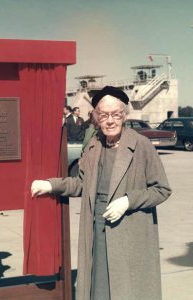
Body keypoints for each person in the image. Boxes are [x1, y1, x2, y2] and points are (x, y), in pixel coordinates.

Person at [31, 86, 172, 300]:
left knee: (126, 289)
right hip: (97, 226)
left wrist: (128, 200)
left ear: (124, 115)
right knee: (100, 286)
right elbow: (81, 183)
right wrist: (51, 185)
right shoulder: (94, 145)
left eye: (116, 114)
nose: (110, 121)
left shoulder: (141, 145)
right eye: (104, 115)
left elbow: (161, 190)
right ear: (96, 117)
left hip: (128, 230)